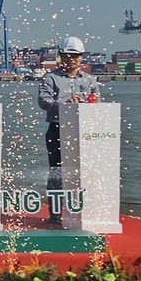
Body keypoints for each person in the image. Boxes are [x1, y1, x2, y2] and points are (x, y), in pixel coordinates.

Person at [37, 36, 100, 226]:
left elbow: (97, 103)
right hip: (57, 129)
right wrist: (65, 105)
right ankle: (55, 214)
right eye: (67, 55)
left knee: (85, 171)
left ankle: (85, 210)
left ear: (82, 57)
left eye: (75, 55)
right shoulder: (51, 78)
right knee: (56, 172)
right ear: (60, 56)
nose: (71, 59)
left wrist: (85, 104)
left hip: (84, 131)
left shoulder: (90, 80)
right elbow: (44, 101)